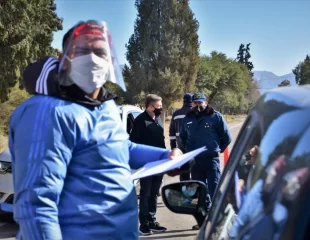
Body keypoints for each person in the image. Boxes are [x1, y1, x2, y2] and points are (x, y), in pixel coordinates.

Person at [9, 20, 183, 240]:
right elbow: (36, 206)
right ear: (64, 60)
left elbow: (120, 149)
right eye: (82, 50)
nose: (92, 58)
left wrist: (164, 156)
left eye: (100, 51)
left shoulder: (105, 105)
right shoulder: (47, 112)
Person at [180, 92, 232, 229]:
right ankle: (204, 220)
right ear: (192, 104)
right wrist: (187, 152)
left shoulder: (215, 116)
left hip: (211, 160)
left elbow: (226, 137)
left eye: (200, 103)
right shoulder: (188, 118)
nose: (197, 105)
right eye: (195, 103)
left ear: (206, 103)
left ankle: (217, 218)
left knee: (214, 188)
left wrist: (217, 149)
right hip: (195, 161)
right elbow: (182, 138)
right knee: (200, 190)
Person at [129, 94, 168, 235]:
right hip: (147, 164)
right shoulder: (140, 121)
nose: (160, 109)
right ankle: (143, 224)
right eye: (158, 106)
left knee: (153, 194)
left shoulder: (158, 120)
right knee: (145, 194)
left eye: (161, 106)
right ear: (150, 106)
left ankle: (152, 221)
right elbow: (134, 143)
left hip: (159, 163)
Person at [169, 93, 194, 181]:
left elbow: (172, 132)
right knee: (195, 171)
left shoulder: (176, 114)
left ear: (184, 101)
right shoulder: (196, 112)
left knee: (184, 172)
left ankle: (184, 192)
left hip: (181, 147)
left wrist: (173, 148)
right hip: (194, 147)